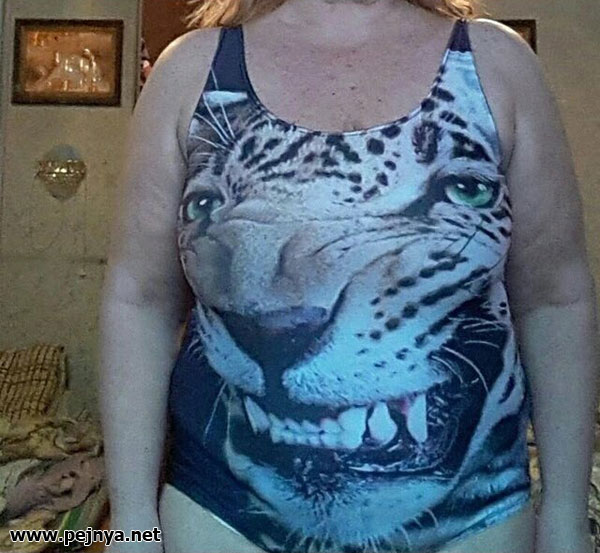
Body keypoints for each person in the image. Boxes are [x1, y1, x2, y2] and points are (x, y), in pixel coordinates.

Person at [99, 0, 599, 552]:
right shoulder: (192, 70)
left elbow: (555, 299)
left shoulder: (495, 64)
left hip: (474, 524)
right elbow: (139, 300)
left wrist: (566, 516)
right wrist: (130, 523)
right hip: (222, 517)